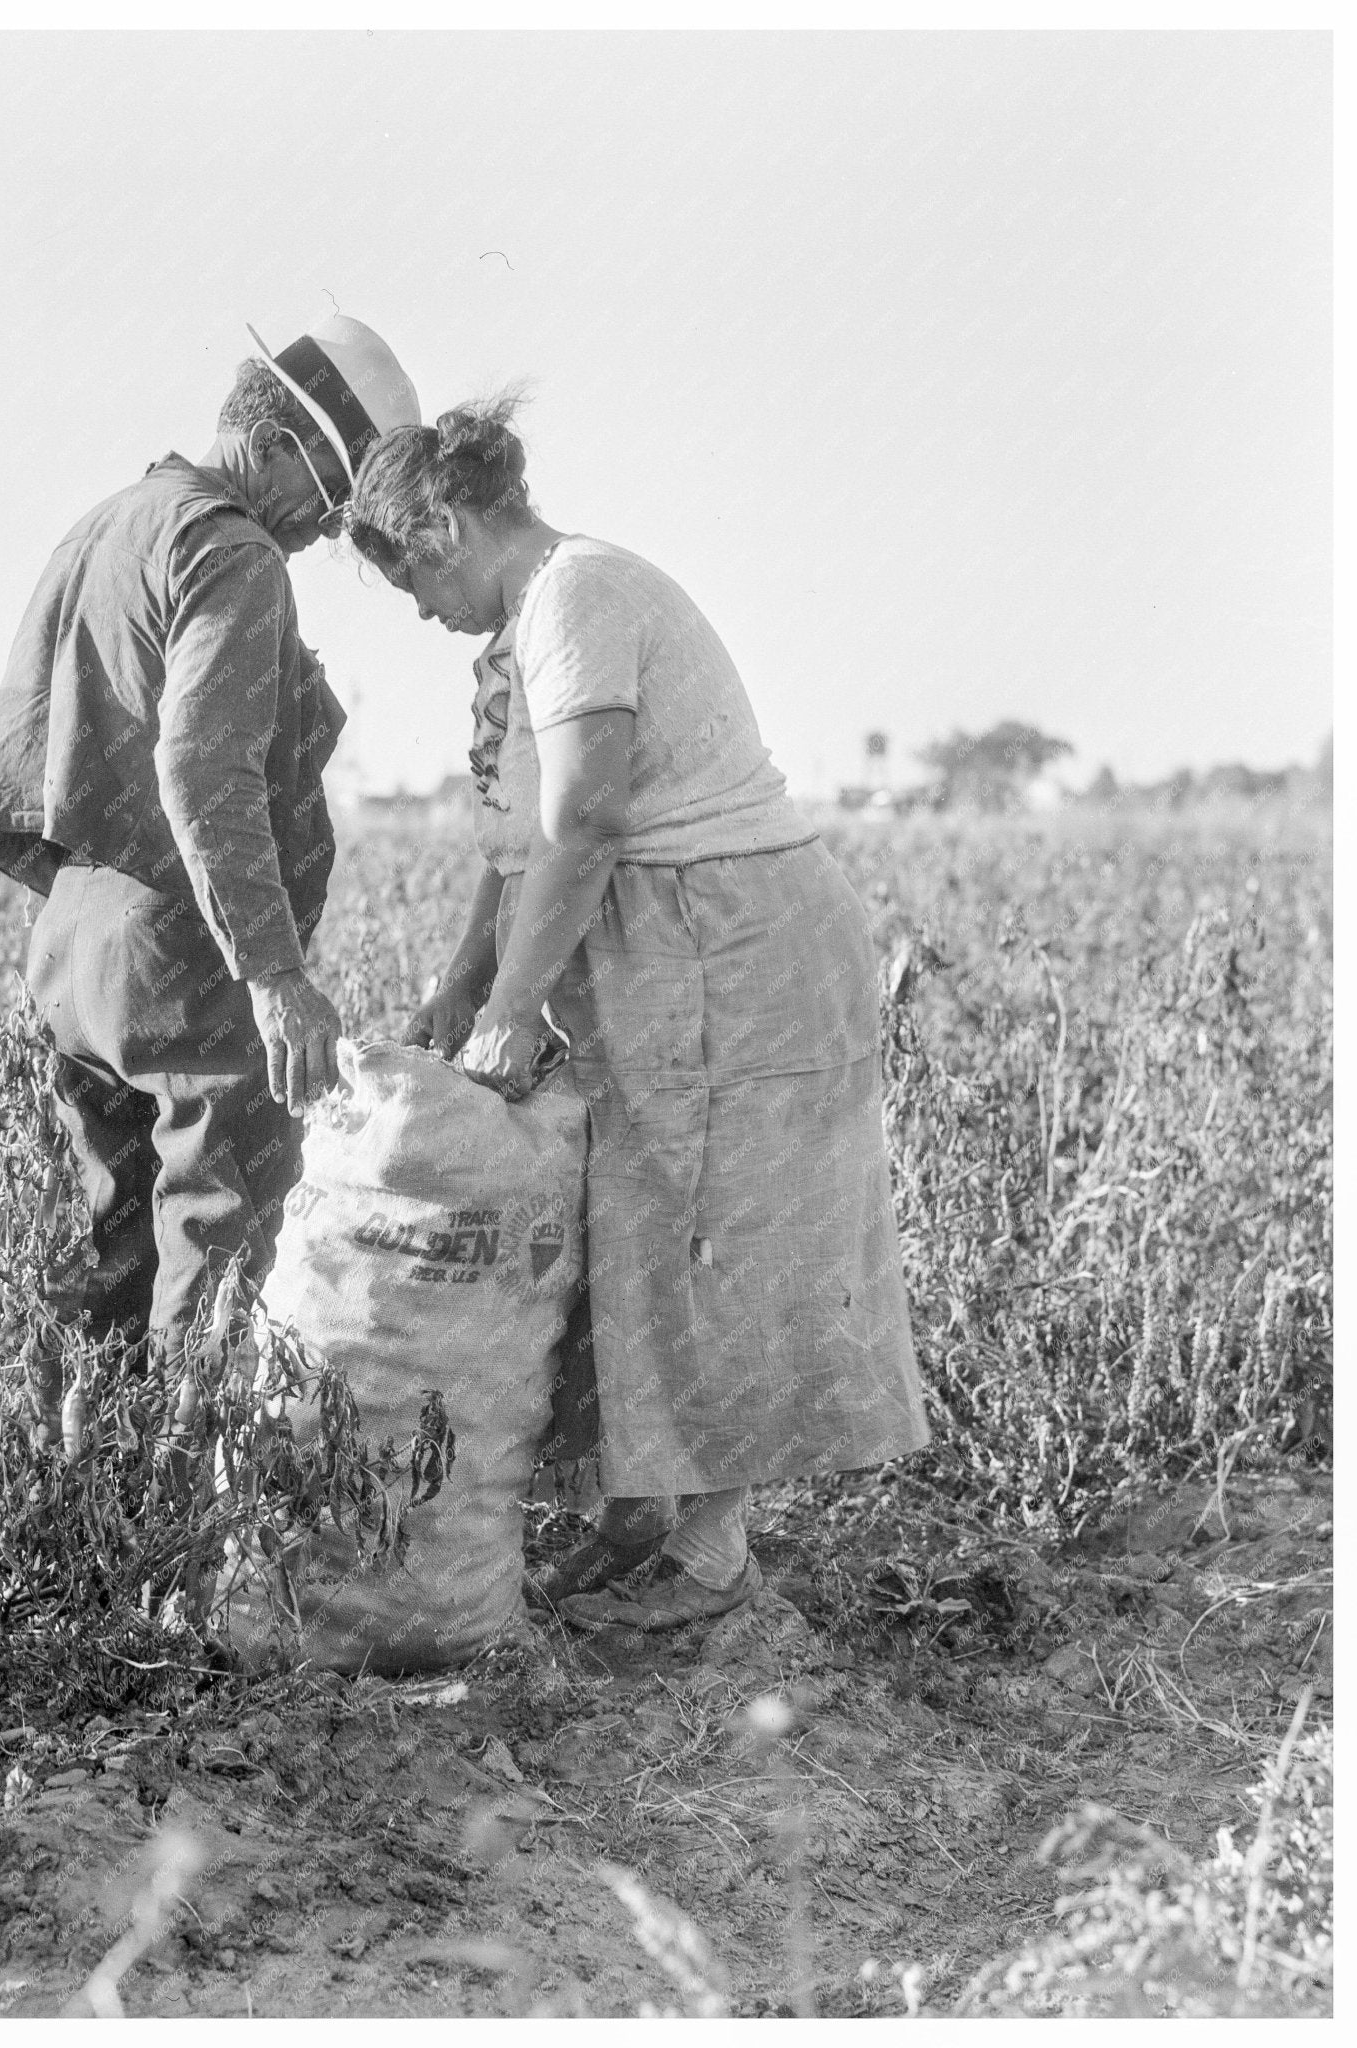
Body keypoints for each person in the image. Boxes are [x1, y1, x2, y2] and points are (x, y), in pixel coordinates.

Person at [344, 398, 930, 1629]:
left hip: (730, 944)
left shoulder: (577, 596)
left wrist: (513, 1005)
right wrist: (465, 979)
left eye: (411, 579)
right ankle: (644, 1510)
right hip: (667, 946)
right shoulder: (528, 624)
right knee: (637, 1230)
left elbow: (590, 820)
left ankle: (707, 1555)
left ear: (447, 523)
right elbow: (519, 840)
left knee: (707, 1235)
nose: (418, 610)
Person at [0, 315, 420, 1371]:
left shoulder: (115, 521)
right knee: (219, 1241)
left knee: (111, 1247)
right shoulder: (237, 550)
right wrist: (276, 974)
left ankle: (93, 1503)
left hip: (76, 951)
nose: (324, 527)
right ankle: (186, 1519)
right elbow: (204, 768)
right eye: (331, 497)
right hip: (184, 959)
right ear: (284, 447)